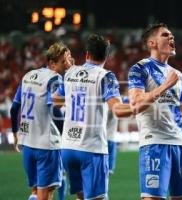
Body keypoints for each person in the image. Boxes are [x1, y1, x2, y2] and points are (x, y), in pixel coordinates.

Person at [128, 23, 182, 200]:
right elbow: (135, 103)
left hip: (180, 143)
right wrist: (165, 86)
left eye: (172, 36)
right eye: (166, 35)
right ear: (152, 43)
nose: (171, 38)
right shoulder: (140, 69)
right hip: (155, 143)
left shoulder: (178, 75)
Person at [53, 33, 132, 200]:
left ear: (87, 54)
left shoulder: (70, 73)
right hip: (91, 148)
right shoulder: (105, 76)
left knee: (81, 197)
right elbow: (117, 109)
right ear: (106, 56)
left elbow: (54, 102)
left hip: (68, 148)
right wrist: (142, 105)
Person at [10, 42, 69, 200]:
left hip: (28, 144)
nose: (67, 64)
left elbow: (14, 109)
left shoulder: (28, 76)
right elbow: (55, 109)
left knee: (35, 192)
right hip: (47, 145)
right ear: (51, 63)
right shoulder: (55, 79)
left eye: (68, 59)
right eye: (63, 61)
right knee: (46, 194)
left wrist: (16, 134)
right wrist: (66, 136)